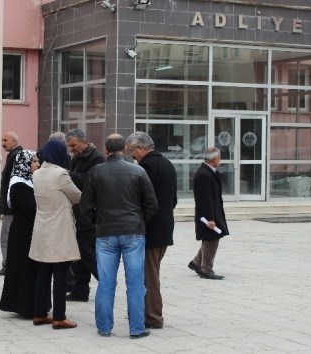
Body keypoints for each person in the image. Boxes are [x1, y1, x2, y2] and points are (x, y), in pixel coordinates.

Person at [80, 133, 158, 339]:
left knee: (105, 283)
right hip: (133, 231)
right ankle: (137, 328)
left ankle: (104, 327)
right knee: (135, 284)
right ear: (125, 148)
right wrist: (140, 221)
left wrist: (98, 221)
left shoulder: (95, 171)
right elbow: (152, 204)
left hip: (105, 232)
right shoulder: (138, 171)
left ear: (106, 150)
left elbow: (85, 206)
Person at [126, 132, 177, 330]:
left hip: (151, 230)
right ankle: (147, 313)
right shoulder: (168, 165)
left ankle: (153, 317)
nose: (132, 156)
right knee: (151, 273)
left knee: (150, 276)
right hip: (165, 227)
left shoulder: (146, 167)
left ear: (140, 148)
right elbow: (173, 200)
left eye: (133, 151)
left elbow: (144, 201)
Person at [29, 140, 82, 329]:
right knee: (60, 273)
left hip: (42, 228)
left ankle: (40, 313)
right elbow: (77, 196)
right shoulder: (61, 174)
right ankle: (59, 317)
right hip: (59, 228)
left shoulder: (37, 174)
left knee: (43, 273)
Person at [64, 129, 105, 302]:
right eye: (69, 146)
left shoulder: (96, 159)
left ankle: (106, 282)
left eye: (74, 145)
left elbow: (88, 181)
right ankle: (80, 290)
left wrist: (67, 175)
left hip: (89, 214)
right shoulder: (76, 158)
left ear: (84, 142)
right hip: (77, 213)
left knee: (87, 253)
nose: (71, 149)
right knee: (78, 255)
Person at [0, 150, 41, 318]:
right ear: (24, 164)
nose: (37, 165)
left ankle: (30, 304)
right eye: (34, 161)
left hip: (28, 231)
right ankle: (24, 305)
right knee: (24, 267)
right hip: (23, 233)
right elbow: (32, 209)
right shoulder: (18, 185)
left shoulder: (29, 182)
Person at [188, 147, 229, 280]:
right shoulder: (203, 174)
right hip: (208, 214)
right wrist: (210, 218)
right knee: (211, 238)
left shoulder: (209, 172)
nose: (220, 160)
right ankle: (206, 269)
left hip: (213, 211)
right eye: (219, 158)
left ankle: (196, 263)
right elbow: (205, 199)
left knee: (211, 238)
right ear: (213, 159)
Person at [0, 132, 23, 276]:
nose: (3, 143)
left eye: (5, 140)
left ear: (14, 141)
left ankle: (8, 265)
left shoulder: (15, 156)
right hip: (12, 205)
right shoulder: (15, 155)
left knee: (6, 236)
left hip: (11, 206)